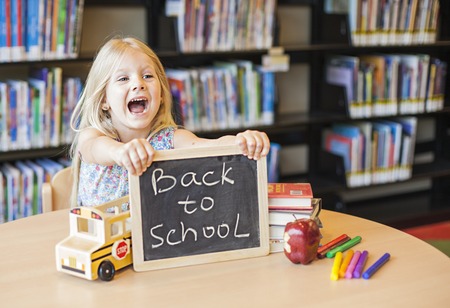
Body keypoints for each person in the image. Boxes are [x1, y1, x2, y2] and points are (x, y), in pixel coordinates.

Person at [69, 36, 270, 207]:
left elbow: (208, 146)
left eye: (147, 76)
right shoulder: (94, 135)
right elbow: (93, 148)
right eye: (123, 79)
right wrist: (119, 152)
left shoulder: (170, 139)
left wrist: (242, 141)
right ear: (104, 99)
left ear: (162, 94)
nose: (138, 84)